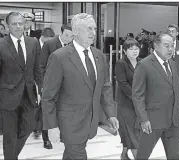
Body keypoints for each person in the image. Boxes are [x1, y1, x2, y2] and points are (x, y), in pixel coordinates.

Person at [41, 13, 119, 159]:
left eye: (95, 29)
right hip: (69, 123)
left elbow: (105, 87)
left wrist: (111, 113)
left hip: (91, 121)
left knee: (71, 155)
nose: (93, 33)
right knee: (78, 155)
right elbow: (48, 96)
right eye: (89, 29)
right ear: (75, 31)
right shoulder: (59, 57)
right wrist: (51, 126)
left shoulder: (99, 55)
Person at [132, 33, 179, 159]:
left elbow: (177, 89)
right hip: (152, 121)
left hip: (173, 121)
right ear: (156, 45)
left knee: (177, 156)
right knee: (143, 155)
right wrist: (143, 119)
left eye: (172, 46)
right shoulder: (144, 65)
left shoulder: (173, 64)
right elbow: (137, 95)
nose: (170, 49)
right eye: (166, 46)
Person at [0, 12, 41, 160]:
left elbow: (38, 69)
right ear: (7, 26)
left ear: (25, 24)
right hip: (7, 97)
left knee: (29, 126)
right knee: (10, 135)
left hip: (28, 95)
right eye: (14, 24)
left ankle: (10, 156)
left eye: (20, 23)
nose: (18, 27)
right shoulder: (2, 45)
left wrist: (42, 89)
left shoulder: (33, 43)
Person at [115, 38, 141, 160]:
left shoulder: (142, 62)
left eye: (136, 48)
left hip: (139, 103)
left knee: (133, 130)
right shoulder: (121, 63)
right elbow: (123, 84)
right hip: (125, 103)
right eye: (131, 49)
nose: (134, 51)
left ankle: (124, 154)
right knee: (131, 131)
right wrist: (136, 98)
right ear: (125, 51)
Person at [34, 27, 55, 149]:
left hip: (46, 83)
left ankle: (39, 130)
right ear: (43, 37)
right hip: (33, 81)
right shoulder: (34, 44)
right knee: (36, 106)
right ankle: (36, 127)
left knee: (43, 107)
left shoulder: (52, 45)